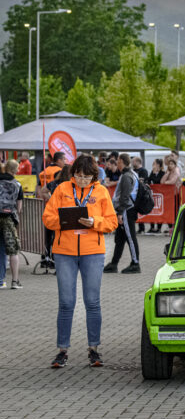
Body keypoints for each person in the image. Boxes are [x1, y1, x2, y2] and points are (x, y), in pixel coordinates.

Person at [42, 154, 118, 368]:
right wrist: (65, 221)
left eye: (86, 177)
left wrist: (94, 222)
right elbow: (47, 218)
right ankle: (62, 350)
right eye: (78, 175)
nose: (81, 180)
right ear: (73, 173)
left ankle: (94, 349)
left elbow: (112, 222)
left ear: (94, 175)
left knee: (92, 302)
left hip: (93, 252)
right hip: (64, 251)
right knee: (66, 302)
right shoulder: (63, 189)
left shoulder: (101, 191)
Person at [103, 153, 141, 274]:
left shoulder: (126, 176)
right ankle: (114, 263)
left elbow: (124, 196)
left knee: (130, 237)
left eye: (118, 161)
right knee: (119, 239)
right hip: (127, 209)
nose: (117, 164)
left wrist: (120, 212)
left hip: (126, 211)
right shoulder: (131, 174)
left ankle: (136, 263)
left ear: (122, 162)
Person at [0, 160, 24, 289]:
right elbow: (18, 207)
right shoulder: (17, 184)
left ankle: (0, 280)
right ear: (16, 170)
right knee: (13, 250)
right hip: (9, 218)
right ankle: (15, 282)